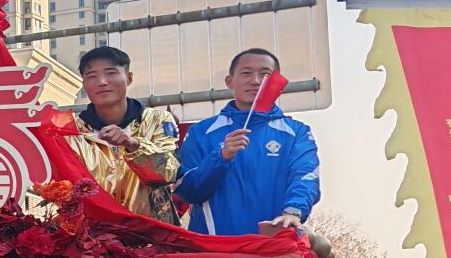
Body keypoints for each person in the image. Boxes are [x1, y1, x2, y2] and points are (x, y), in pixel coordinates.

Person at [173, 48, 320, 236]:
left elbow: (305, 176)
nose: (256, 81)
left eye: (265, 75)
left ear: (277, 84)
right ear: (229, 81)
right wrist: (221, 158)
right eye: (246, 73)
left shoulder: (297, 132)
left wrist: (293, 211)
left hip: (275, 246)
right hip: (213, 247)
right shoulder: (201, 132)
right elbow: (187, 189)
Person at [71, 45, 181, 224]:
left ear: (129, 78)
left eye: (111, 73)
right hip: (91, 234)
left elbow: (168, 172)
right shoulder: (71, 130)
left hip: (150, 233)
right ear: (84, 84)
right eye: (92, 76)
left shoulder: (157, 120)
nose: (102, 82)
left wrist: (134, 145)